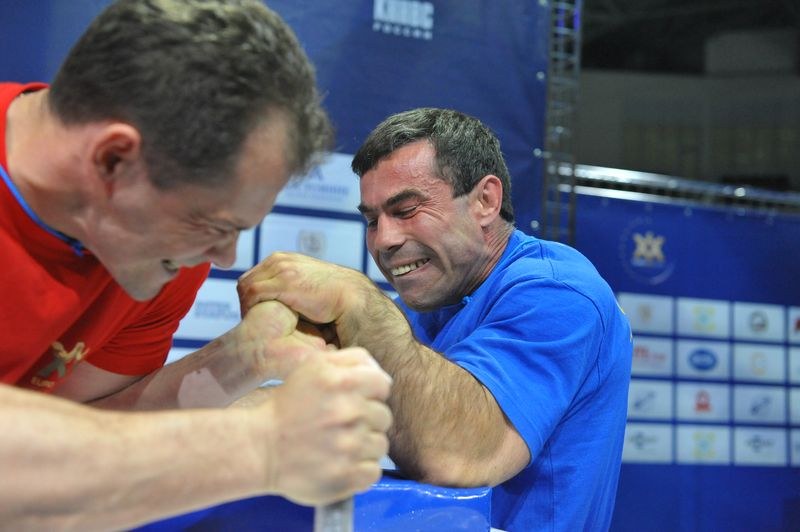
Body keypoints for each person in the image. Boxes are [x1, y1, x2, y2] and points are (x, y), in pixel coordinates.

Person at [0, 1, 393, 529]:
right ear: (114, 159)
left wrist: (243, 359)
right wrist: (261, 449)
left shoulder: (159, 253)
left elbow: (77, 445)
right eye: (214, 225)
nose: (225, 257)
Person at [238, 107, 633, 531]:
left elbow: (464, 453)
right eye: (372, 220)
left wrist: (358, 301)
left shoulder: (558, 294)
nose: (384, 240)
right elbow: (308, 413)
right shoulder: (424, 304)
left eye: (406, 210)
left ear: (485, 200)